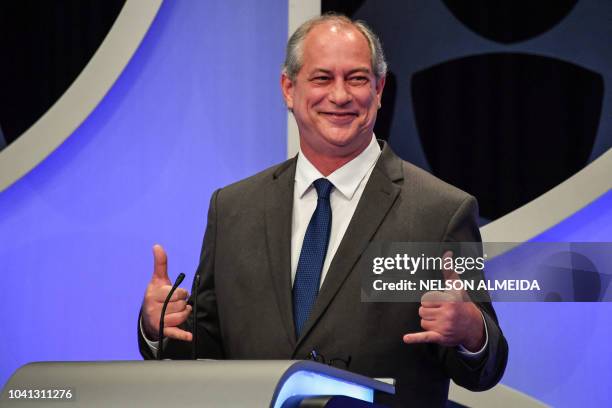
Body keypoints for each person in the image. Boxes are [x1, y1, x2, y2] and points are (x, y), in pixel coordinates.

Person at [138, 13, 508, 406]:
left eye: (357, 78)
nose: (340, 95)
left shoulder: (440, 211)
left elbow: (484, 366)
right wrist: (159, 325)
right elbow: (203, 352)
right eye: (321, 78)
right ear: (288, 88)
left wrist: (471, 332)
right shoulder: (232, 208)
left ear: (380, 89)